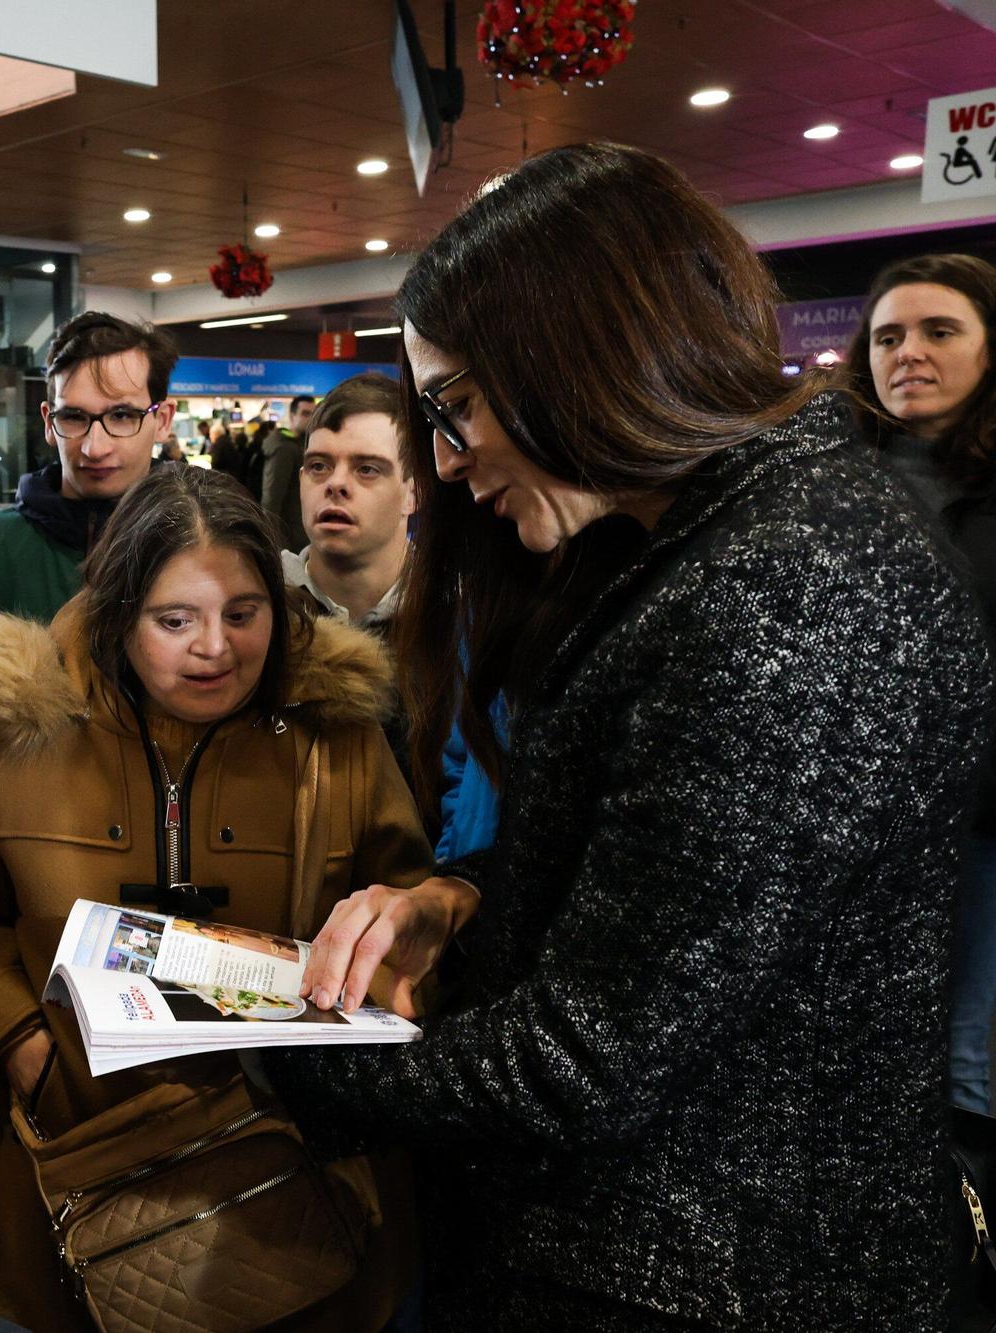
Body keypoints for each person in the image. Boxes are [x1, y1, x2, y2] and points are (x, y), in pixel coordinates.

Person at [260, 144, 992, 1331]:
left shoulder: (783, 588)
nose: (445, 463)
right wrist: (458, 897)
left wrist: (274, 1042)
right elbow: (661, 890)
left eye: (455, 406)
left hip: (705, 1272)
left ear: (573, 349)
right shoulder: (733, 543)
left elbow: (588, 1053)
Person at [0, 465, 438, 1330]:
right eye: (176, 620)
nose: (216, 647)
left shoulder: (336, 735)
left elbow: (406, 903)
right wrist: (22, 1046)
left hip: (285, 1153)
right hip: (90, 1148)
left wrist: (368, 998)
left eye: (244, 613)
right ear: (118, 614)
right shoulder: (14, 733)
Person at [842, 252, 996, 1117]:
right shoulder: (829, 483)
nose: (910, 352)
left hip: (976, 829)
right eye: (890, 334)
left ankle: (956, 1245)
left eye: (941, 331)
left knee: (953, 1060)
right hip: (844, 825)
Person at [0, 311, 179, 621]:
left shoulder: (201, 539)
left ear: (163, 420)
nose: (95, 448)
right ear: (49, 422)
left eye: (122, 416)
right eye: (74, 417)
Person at [284, 374, 413, 629]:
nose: (335, 483)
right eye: (318, 466)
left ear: (415, 492)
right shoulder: (256, 607)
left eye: (367, 469)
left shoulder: (467, 613)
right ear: (301, 483)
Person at [259, 394, 315, 549]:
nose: (310, 419)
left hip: (300, 531)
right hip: (289, 536)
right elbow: (272, 496)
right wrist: (272, 540)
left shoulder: (301, 444)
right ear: (292, 416)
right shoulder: (284, 449)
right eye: (305, 413)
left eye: (313, 414)